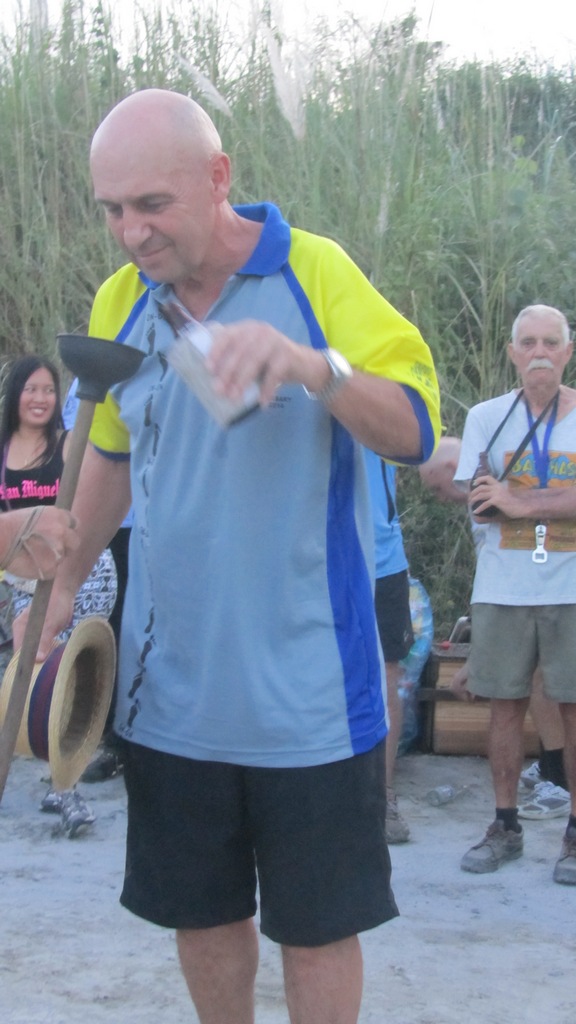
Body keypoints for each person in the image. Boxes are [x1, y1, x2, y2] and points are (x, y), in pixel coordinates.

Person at [18, 89, 441, 1023]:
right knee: (202, 917)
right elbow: (111, 461)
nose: (130, 233)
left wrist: (315, 366)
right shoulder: (123, 300)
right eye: (112, 209)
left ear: (218, 178)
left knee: (318, 929)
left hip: (310, 696)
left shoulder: (316, 272)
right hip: (170, 692)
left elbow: (415, 429)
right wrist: (61, 578)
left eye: (151, 205)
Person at [453, 304, 576, 884]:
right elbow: (479, 502)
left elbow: (502, 501)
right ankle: (505, 825)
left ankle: (574, 833)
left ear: (568, 352)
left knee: (573, 709)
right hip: (503, 585)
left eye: (551, 342)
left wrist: (521, 503)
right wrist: (537, 502)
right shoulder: (487, 417)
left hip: (570, 587)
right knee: (503, 707)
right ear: (512, 353)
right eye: (528, 342)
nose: (540, 353)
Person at [419, 437, 570, 819]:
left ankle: (560, 782)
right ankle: (552, 765)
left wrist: (480, 656)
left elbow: (503, 571)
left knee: (541, 675)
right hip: (529, 593)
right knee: (534, 674)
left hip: (554, 590)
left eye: (436, 488)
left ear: (453, 471)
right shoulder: (486, 496)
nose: (439, 498)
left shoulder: (493, 494)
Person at [0, 354, 117, 836]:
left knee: (64, 679)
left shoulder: (69, 444)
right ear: (15, 395)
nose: (40, 398)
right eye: (31, 389)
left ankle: (65, 789)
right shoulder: (3, 451)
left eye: (49, 389)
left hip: (82, 574)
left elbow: (104, 484)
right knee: (27, 677)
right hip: (23, 582)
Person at [363, 448, 414, 843]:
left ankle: (382, 797)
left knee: (386, 676)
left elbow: (418, 443)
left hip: (382, 558)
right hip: (308, 553)